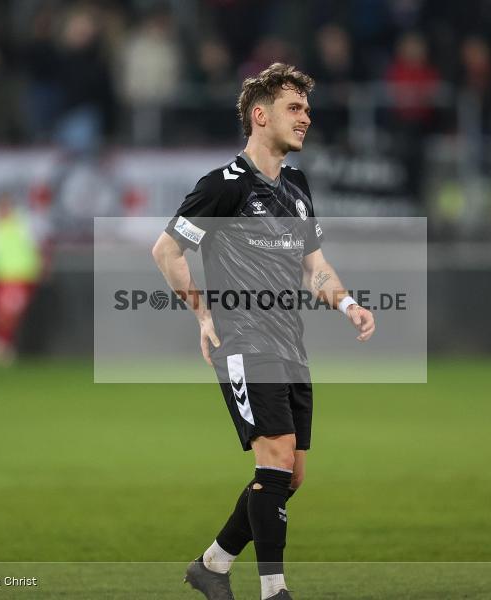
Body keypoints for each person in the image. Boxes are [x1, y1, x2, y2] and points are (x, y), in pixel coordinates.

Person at [151, 63, 375, 600]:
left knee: (289, 476)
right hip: (244, 341)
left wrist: (346, 303)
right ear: (260, 114)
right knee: (274, 457)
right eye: (294, 108)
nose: (306, 118)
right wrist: (203, 315)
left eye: (306, 109)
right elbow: (167, 250)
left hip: (290, 345)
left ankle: (212, 564)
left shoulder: (296, 187)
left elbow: (314, 265)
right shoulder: (222, 187)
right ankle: (274, 592)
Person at [0, 195, 46, 366]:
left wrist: (42, 265)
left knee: (8, 312)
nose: (1, 210)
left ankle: (1, 345)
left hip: (21, 275)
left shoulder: (23, 222)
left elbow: (37, 245)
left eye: (4, 206)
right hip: (0, 276)